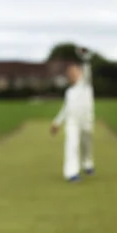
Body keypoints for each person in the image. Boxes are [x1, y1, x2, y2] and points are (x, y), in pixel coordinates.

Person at [50, 48, 95, 182]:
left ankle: (87, 163)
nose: (72, 74)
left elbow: (87, 69)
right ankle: (72, 173)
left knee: (86, 143)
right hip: (72, 122)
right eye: (69, 73)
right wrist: (57, 122)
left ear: (80, 73)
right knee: (72, 144)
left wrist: (85, 57)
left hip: (86, 120)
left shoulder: (86, 85)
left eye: (74, 71)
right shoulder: (69, 92)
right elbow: (66, 109)